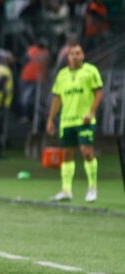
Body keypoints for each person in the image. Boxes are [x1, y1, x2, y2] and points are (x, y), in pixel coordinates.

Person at [46, 44, 103, 203]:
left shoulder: (90, 71)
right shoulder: (62, 75)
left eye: (78, 53)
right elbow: (57, 98)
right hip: (67, 121)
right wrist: (51, 119)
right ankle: (66, 191)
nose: (75, 56)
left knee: (86, 151)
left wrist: (91, 112)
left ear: (83, 55)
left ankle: (92, 187)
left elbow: (99, 93)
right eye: (72, 54)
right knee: (67, 155)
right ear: (68, 56)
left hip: (84, 120)